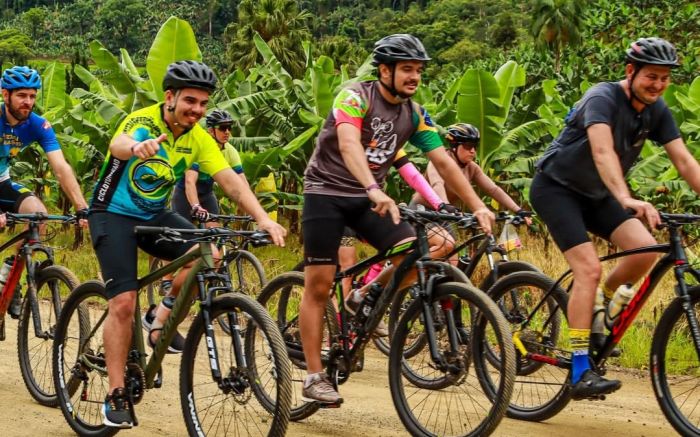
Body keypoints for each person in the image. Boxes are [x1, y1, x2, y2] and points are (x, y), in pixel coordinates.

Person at [87, 60, 286, 429]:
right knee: (123, 302)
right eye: (189, 101)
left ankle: (159, 320)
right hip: (111, 213)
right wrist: (138, 147)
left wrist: (263, 217)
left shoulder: (199, 138)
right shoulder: (142, 120)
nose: (196, 110)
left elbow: (231, 182)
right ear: (170, 97)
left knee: (210, 253)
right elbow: (118, 143)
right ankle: (115, 392)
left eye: (202, 104)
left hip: (153, 215)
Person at [299, 34, 494, 405]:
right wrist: (372, 187)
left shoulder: (415, 114)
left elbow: (443, 162)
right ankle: (313, 375)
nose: (414, 77)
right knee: (320, 285)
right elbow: (348, 145)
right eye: (407, 69)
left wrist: (477, 206)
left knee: (431, 246)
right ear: (385, 70)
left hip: (369, 200)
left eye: (418, 70)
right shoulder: (355, 96)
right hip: (326, 193)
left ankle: (365, 294)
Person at [529, 37, 700, 400]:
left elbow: (684, 161)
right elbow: (602, 151)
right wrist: (625, 197)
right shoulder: (601, 98)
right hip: (556, 189)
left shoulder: (656, 110)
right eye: (651, 76)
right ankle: (579, 370)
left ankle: (600, 311)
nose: (658, 84)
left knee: (645, 249)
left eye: (665, 78)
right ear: (630, 71)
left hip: (597, 195)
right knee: (588, 269)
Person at [0, 65, 89, 318]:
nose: (28, 102)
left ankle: (10, 275)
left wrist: (81, 207)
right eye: (21, 96)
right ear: (5, 94)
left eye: (32, 96)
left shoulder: (38, 125)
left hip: (2, 181)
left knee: (39, 215)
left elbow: (61, 167)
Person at [146, 109, 248, 306]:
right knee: (178, 235)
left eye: (230, 128)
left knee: (215, 233)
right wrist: (194, 206)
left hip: (207, 193)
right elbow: (190, 182)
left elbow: (241, 183)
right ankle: (166, 280)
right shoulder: (201, 148)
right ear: (211, 131)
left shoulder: (230, 151)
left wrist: (253, 212)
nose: (227, 132)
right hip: (185, 193)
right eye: (223, 128)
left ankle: (207, 279)